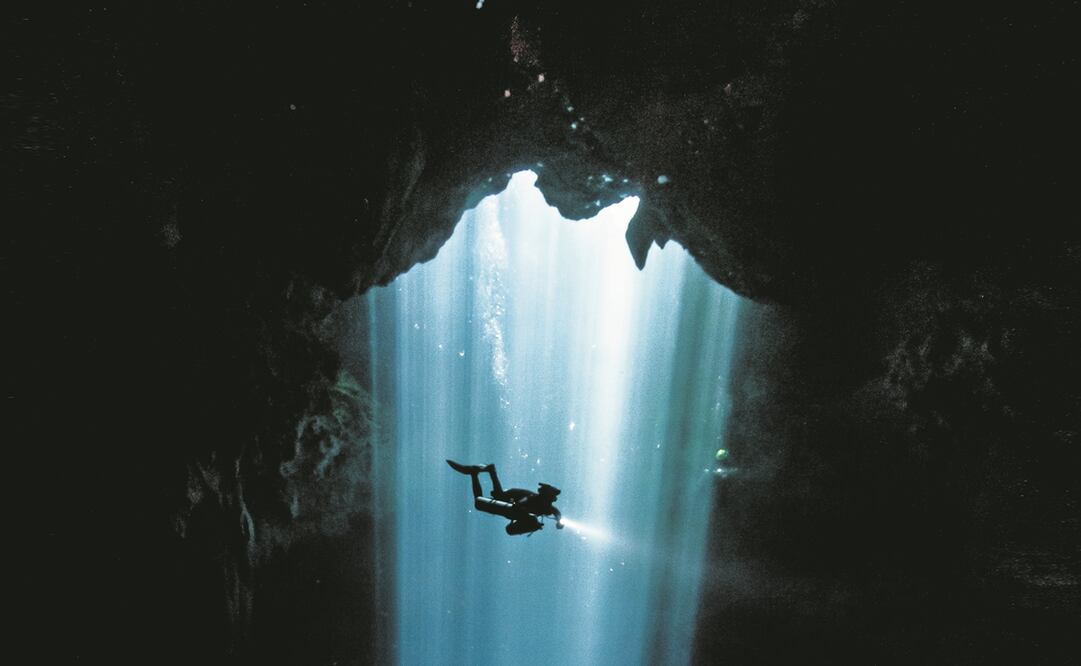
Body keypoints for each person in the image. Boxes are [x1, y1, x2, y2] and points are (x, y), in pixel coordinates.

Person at [446, 459, 564, 535]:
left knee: (493, 497)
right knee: (483, 501)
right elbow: (523, 502)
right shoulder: (539, 502)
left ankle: (479, 473)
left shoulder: (547, 507)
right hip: (515, 497)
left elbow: (557, 513)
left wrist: (558, 522)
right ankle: (481, 472)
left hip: (515, 499)